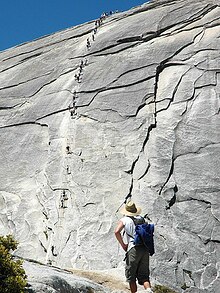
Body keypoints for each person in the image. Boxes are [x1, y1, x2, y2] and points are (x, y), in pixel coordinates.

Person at [114, 201, 153, 293]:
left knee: (131, 276)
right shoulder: (142, 219)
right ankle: (149, 290)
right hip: (144, 248)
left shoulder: (125, 220)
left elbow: (116, 232)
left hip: (133, 248)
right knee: (144, 275)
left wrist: (123, 244)